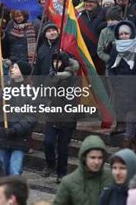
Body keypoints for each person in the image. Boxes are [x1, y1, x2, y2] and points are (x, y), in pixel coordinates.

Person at [107, 20, 136, 150]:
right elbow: (111, 67)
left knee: (131, 114)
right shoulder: (116, 48)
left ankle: (127, 142)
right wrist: (115, 80)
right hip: (121, 86)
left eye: (126, 33)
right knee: (127, 115)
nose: (124, 36)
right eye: (121, 34)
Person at [0, 61, 36, 176]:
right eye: (12, 67)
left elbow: (31, 118)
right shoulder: (5, 87)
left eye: (15, 68)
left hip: (19, 138)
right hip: (2, 136)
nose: (11, 69)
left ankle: (15, 192)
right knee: (1, 170)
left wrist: (15, 129)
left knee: (14, 170)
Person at [42, 52, 80, 183]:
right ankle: (50, 164)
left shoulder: (73, 78)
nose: (56, 64)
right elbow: (46, 93)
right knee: (48, 142)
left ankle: (61, 173)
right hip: (52, 116)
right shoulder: (51, 76)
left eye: (58, 61)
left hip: (67, 118)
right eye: (54, 62)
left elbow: (72, 98)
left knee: (63, 148)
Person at [53, 135, 113, 205]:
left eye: (100, 158)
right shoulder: (69, 182)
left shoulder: (110, 178)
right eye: (93, 158)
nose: (97, 162)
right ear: (84, 157)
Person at [78, 0, 106, 74]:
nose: (88, 4)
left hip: (99, 57)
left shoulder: (103, 14)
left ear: (97, 2)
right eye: (86, 1)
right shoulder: (80, 16)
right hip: (85, 56)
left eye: (91, 1)